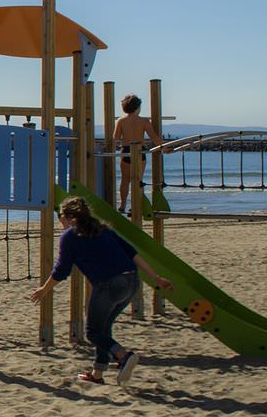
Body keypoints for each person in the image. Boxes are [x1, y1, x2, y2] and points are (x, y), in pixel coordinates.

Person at [28, 197, 173, 385]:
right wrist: (156, 278)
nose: (60, 221)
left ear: (70, 217)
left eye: (61, 216)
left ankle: (123, 356)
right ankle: (97, 374)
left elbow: (62, 269)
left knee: (92, 332)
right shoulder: (103, 230)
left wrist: (44, 289)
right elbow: (132, 253)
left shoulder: (70, 236)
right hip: (132, 282)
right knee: (104, 328)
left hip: (110, 285)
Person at [112, 95, 158, 215]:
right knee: (138, 180)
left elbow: (115, 138)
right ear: (138, 107)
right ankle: (135, 205)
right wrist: (165, 147)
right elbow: (154, 137)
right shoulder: (144, 121)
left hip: (126, 150)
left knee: (125, 180)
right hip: (139, 151)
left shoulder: (121, 121)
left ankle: (122, 205)